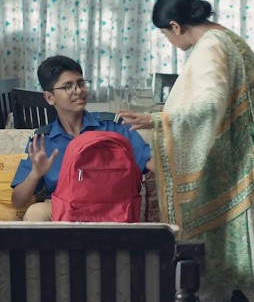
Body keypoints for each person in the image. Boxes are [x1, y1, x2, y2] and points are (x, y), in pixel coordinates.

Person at [119, 0, 254, 302]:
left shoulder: (211, 47)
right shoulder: (222, 36)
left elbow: (210, 104)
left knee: (243, 250)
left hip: (246, 153)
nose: (169, 41)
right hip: (248, 145)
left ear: (175, 26)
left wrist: (158, 120)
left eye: (165, 34)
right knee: (217, 243)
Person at [11, 55, 153, 221]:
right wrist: (35, 173)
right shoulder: (42, 140)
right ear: (49, 97)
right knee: (35, 212)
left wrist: (163, 125)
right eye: (68, 86)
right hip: (65, 209)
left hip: (112, 208)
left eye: (81, 83)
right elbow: (18, 201)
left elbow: (149, 162)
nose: (78, 91)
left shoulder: (113, 127)